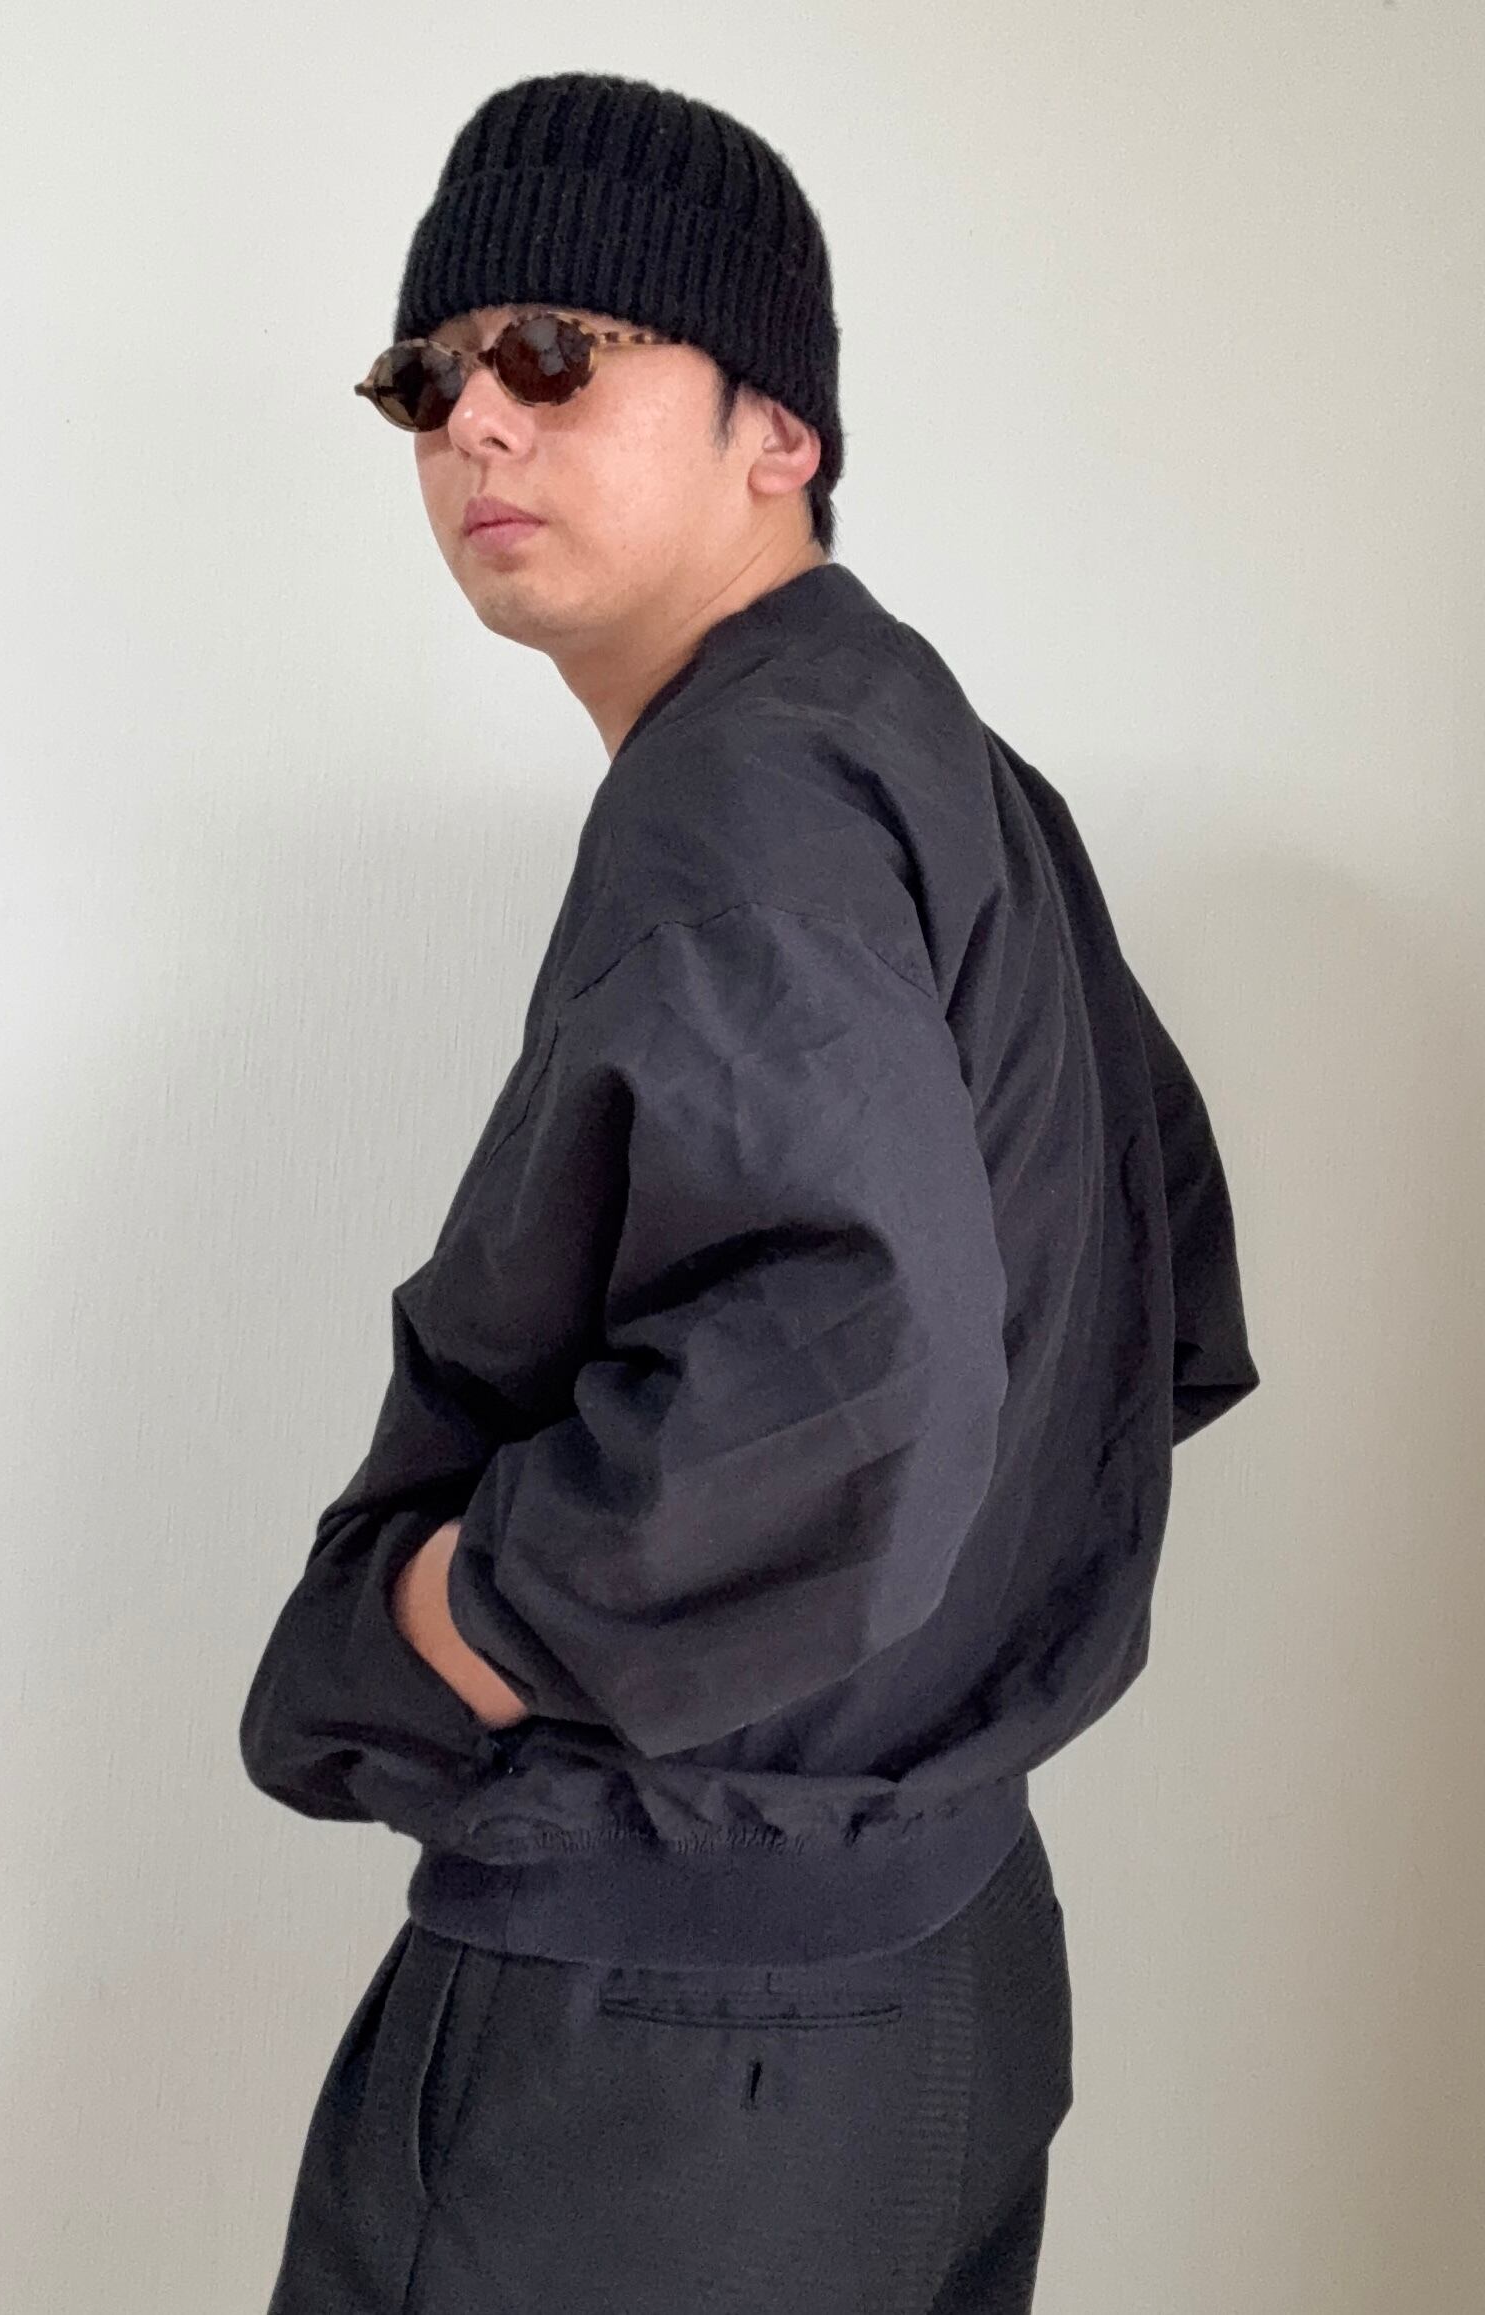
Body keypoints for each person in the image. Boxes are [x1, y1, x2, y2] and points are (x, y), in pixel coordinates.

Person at [239, 69, 1260, 2315]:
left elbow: (851, 1378)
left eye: (554, 355)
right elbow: (1148, 1303)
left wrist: (447, 1619)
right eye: (424, 377)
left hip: (675, 2046)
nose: (474, 424)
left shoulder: (749, 792)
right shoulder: (943, 764)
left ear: (776, 427)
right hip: (942, 1974)